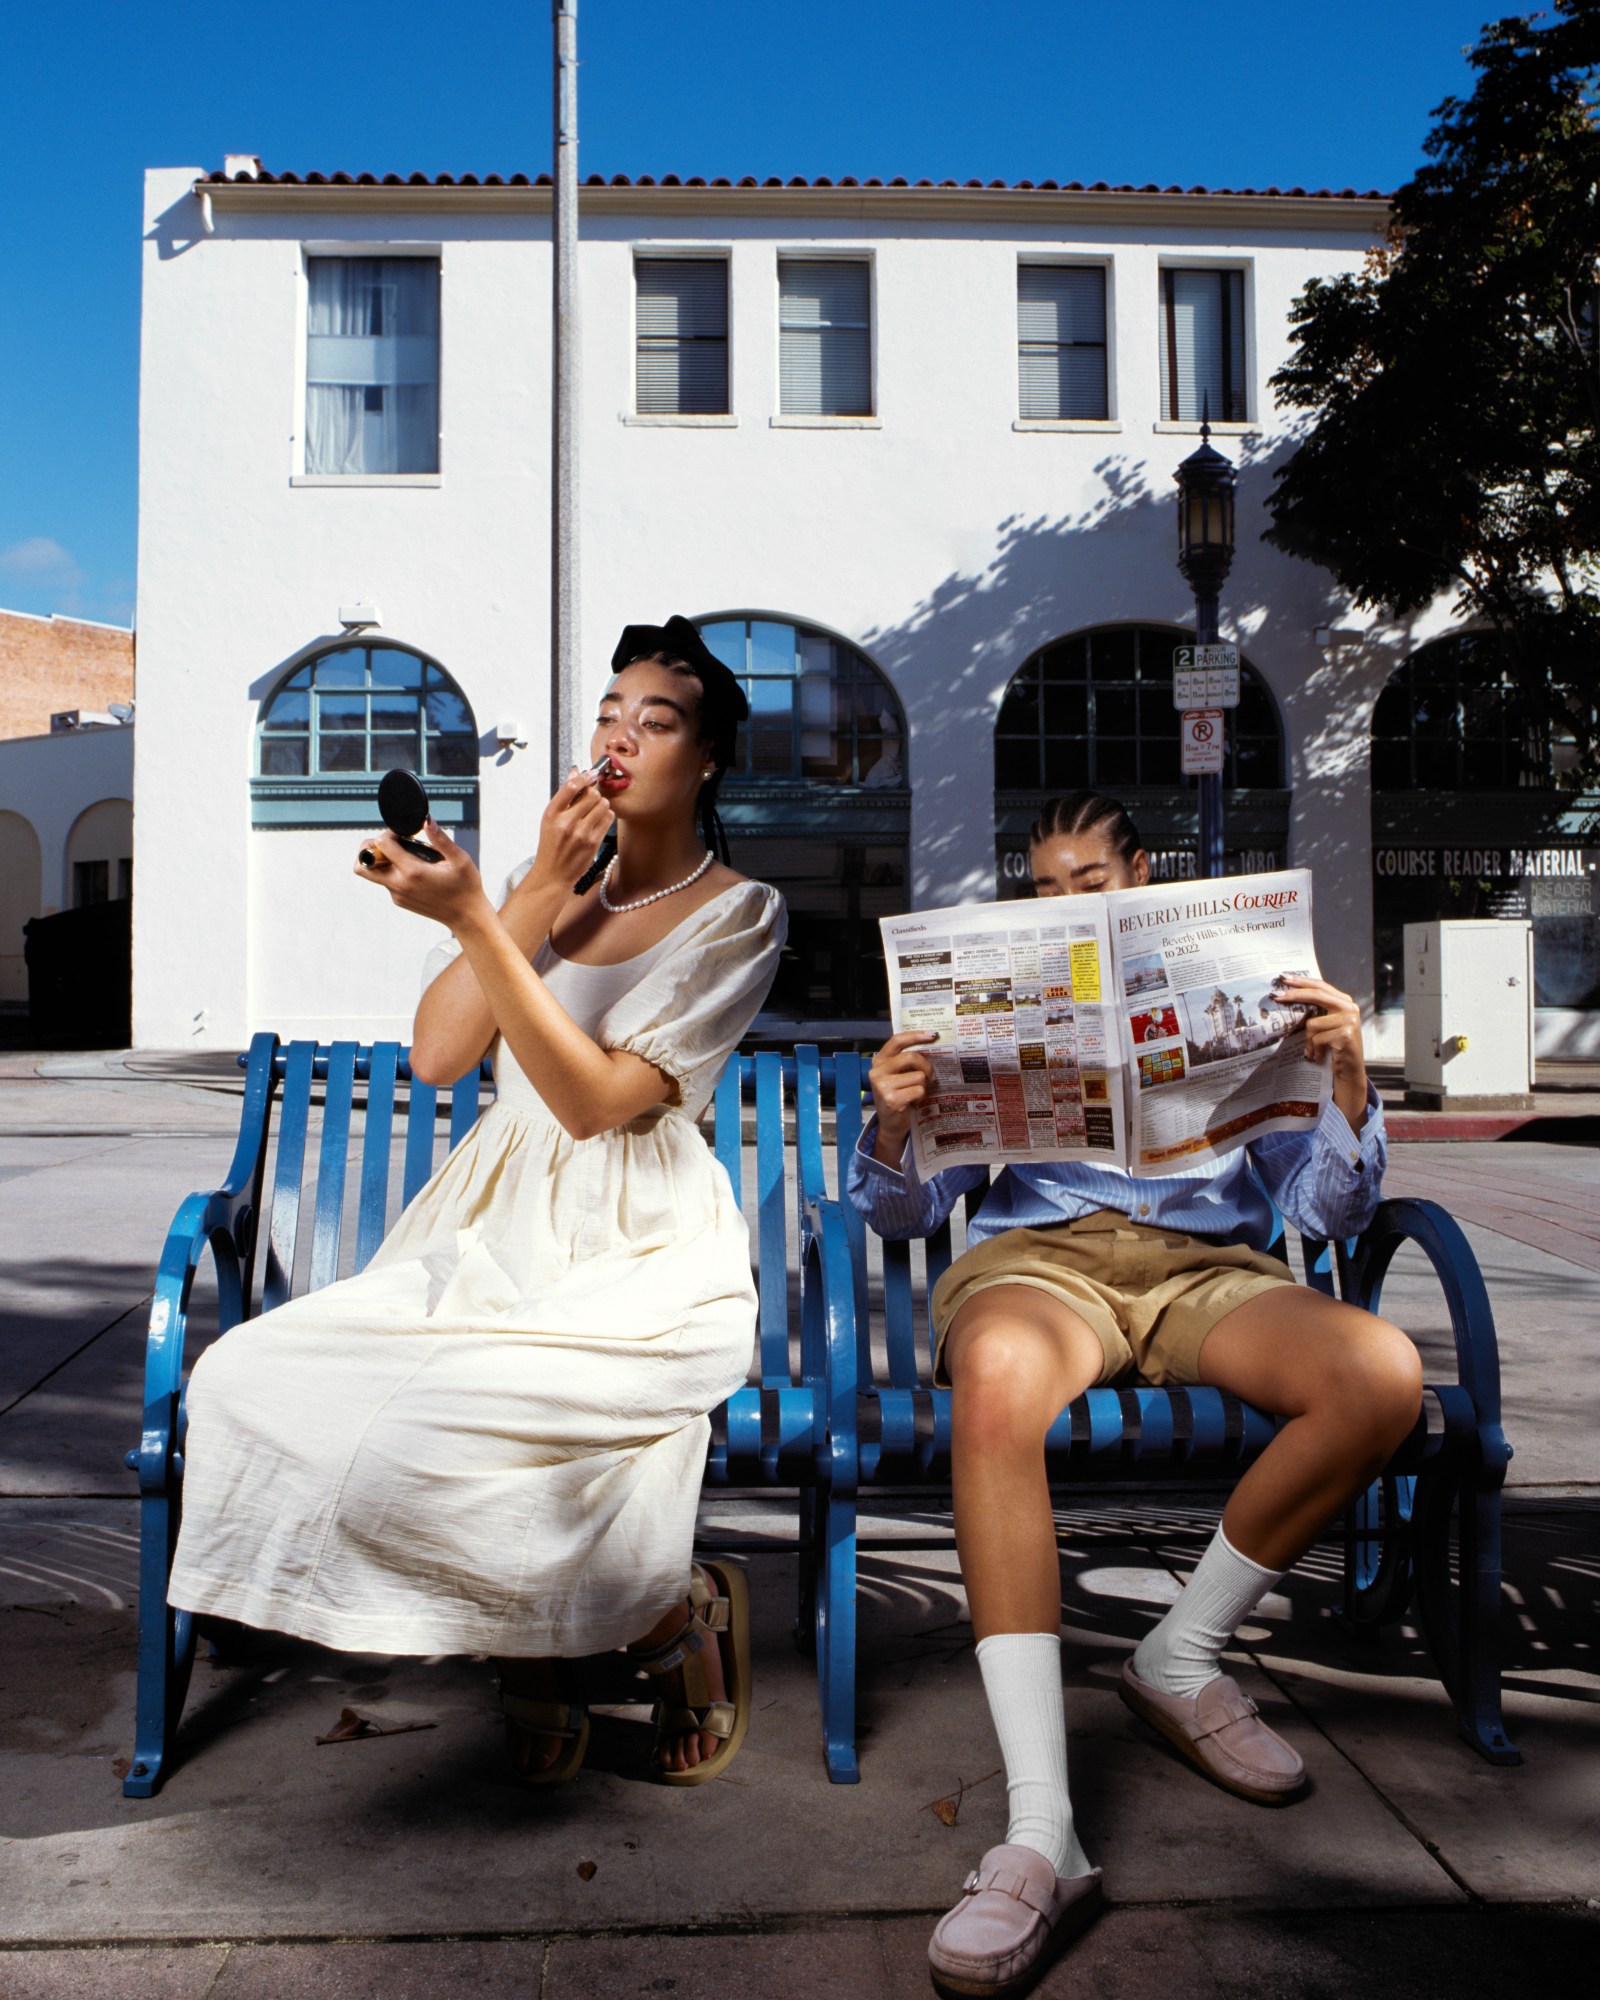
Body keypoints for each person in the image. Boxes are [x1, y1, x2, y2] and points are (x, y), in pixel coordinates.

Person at [168, 616, 785, 1787]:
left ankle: (667, 1621)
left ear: (705, 761)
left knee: (448, 1427)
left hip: (633, 1243)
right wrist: (533, 889)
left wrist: (469, 921)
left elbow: (599, 1099)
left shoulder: (741, 913)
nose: (620, 735)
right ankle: (547, 1638)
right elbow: (445, 1054)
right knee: (243, 1378)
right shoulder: (544, 887)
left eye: (656, 722)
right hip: (486, 1229)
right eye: (609, 711)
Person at [848, 791, 1420, 1998]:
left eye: (1087, 879)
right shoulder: (992, 999)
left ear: (1139, 872)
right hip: (1040, 1266)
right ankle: (1042, 1827)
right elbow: (906, 1216)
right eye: (1045, 885)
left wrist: (1346, 1082)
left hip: (1209, 1271)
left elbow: (1324, 1213)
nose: (1067, 902)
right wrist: (892, 1129)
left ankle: (1179, 1654)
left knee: (1381, 1373)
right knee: (997, 1379)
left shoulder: (1242, 988)